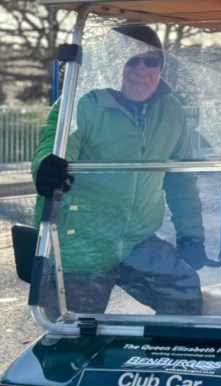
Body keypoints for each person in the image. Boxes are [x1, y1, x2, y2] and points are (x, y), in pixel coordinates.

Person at [32, 24, 208, 315]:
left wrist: (192, 234)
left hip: (136, 242)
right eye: (131, 60)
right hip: (81, 245)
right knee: (72, 332)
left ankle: (157, 360)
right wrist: (47, 169)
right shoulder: (80, 102)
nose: (141, 69)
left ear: (161, 67)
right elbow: (54, 147)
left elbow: (180, 179)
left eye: (151, 61)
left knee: (184, 296)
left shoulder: (171, 110)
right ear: (112, 64)